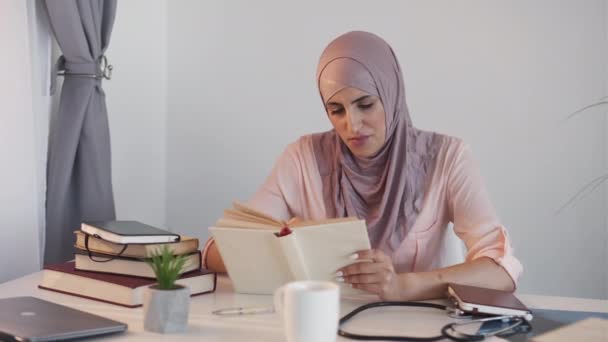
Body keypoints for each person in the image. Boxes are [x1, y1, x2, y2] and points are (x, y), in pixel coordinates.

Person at [202, 31, 522, 301]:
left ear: (392, 94)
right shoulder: (303, 157)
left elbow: (500, 269)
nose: (352, 125)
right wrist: (288, 246)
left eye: (365, 104)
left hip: (420, 327)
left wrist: (403, 285)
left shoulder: (447, 157)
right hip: (329, 323)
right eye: (336, 110)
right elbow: (216, 251)